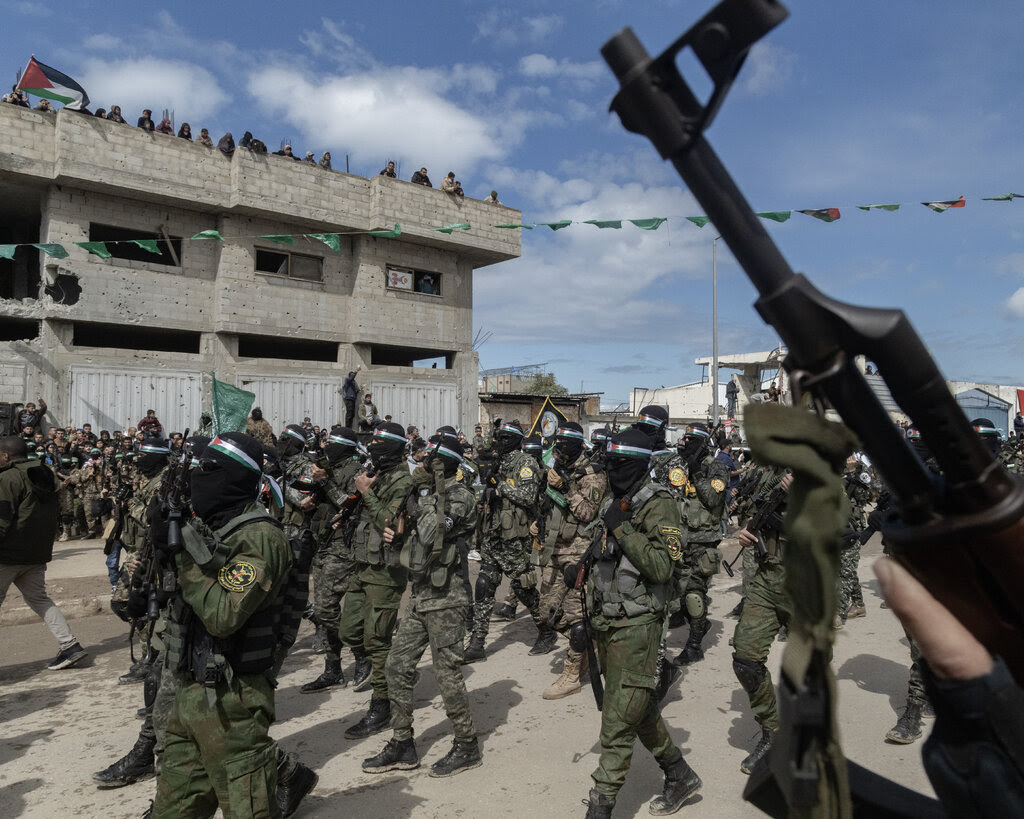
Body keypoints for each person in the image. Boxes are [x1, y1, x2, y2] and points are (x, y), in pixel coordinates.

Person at [149, 433, 293, 818]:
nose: (199, 479)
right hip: (191, 693)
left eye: (208, 471)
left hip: (234, 702)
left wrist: (182, 554)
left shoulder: (260, 538)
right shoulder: (217, 529)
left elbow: (222, 615)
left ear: (231, 478)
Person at [582, 429, 701, 817]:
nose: (611, 472)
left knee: (617, 721)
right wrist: (581, 566)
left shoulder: (659, 504)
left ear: (637, 464)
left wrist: (622, 526)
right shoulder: (618, 499)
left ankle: (601, 806)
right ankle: (678, 773)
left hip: (640, 623)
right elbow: (603, 548)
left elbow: (662, 566)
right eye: (609, 464)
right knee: (637, 706)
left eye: (619, 465)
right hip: (609, 619)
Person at [361, 431, 483, 777]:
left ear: (443, 464)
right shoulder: (422, 494)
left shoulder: (460, 497)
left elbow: (433, 533)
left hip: (448, 599)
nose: (421, 463)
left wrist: (416, 507)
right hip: (420, 596)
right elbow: (408, 537)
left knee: (447, 676)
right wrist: (397, 534)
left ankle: (466, 744)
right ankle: (403, 743)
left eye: (429, 459)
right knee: (396, 665)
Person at [337, 423, 413, 738]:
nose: (374, 449)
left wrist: (367, 493)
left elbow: (388, 521)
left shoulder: (404, 482)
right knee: (350, 631)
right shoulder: (377, 473)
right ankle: (390, 670)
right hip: (363, 565)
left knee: (376, 640)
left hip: (386, 570)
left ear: (394, 450)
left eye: (381, 445)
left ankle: (381, 705)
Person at [533, 422, 608, 698]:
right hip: (553, 547)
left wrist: (565, 486)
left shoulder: (592, 475)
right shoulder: (556, 468)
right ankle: (591, 644)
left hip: (578, 550)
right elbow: (548, 503)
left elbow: (587, 512)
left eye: (565, 444)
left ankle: (571, 675)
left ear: (578, 444)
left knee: (576, 613)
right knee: (547, 611)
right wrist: (537, 524)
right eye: (557, 443)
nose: (559, 448)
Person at [0, 436, 88, 670]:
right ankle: (70, 645)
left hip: (7, 554)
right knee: (40, 599)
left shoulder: (8, 478)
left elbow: (2, 518)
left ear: (6, 456)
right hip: (37, 553)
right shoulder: (46, 474)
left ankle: (70, 646)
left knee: (38, 599)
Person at [464, 420, 549, 664]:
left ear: (514, 441)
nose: (499, 443)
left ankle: (546, 630)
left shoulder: (526, 463)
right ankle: (477, 643)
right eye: (498, 438)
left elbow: (529, 496)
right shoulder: (499, 462)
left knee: (524, 588)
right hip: (494, 534)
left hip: (516, 537)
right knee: (484, 584)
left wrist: (499, 486)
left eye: (504, 439)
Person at [733, 466, 793, 774]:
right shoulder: (776, 477)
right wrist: (747, 530)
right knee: (745, 658)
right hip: (769, 582)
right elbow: (755, 511)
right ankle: (773, 731)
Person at [301, 427, 364, 692]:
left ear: (347, 447)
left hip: (343, 546)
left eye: (334, 443)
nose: (328, 447)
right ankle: (333, 668)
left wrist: (325, 481)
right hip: (322, 541)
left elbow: (347, 502)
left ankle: (363, 655)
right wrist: (311, 497)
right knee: (323, 608)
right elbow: (324, 498)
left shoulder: (356, 470)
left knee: (326, 607)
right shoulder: (329, 467)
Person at [674, 422, 729, 665]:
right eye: (685, 439)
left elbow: (713, 499)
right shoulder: (679, 466)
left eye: (692, 440)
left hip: (703, 540)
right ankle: (699, 622)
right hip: (679, 537)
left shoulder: (716, 468)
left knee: (694, 593)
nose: (687, 443)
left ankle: (694, 645)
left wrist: (696, 470)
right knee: (678, 592)